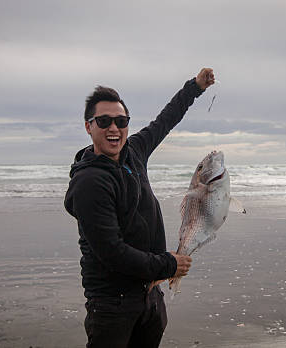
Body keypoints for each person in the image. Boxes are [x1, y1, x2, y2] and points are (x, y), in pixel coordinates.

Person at [64, 68, 215, 348]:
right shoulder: (90, 183)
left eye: (121, 120)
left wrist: (195, 87)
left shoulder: (134, 151)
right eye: (104, 121)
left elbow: (165, 120)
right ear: (89, 126)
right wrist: (168, 264)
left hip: (149, 295)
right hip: (113, 304)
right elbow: (112, 252)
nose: (114, 128)